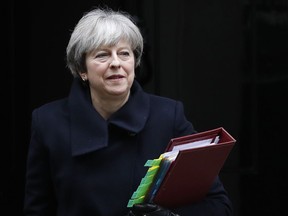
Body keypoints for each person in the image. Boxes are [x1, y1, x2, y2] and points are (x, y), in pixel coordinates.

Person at [23, 6, 233, 216]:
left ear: (135, 62)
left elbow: (219, 206)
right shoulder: (48, 122)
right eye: (102, 55)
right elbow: (37, 210)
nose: (116, 63)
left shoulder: (168, 117)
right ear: (82, 69)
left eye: (124, 53)